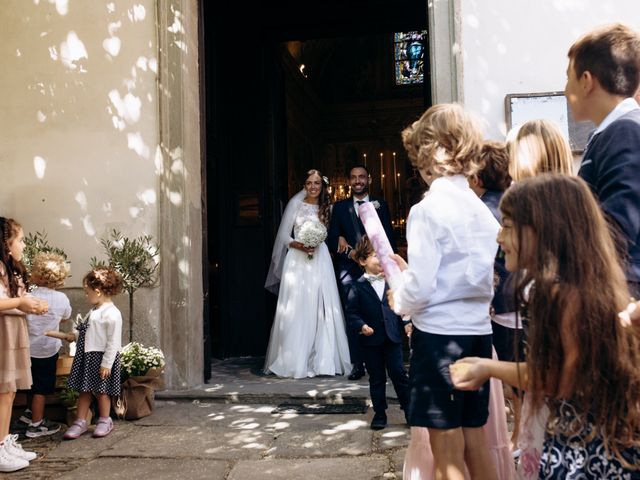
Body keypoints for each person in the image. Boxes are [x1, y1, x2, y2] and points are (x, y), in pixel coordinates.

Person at [451, 174, 640, 478]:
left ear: (543, 231)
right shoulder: (577, 287)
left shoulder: (560, 295)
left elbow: (555, 378)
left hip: (584, 455)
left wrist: (487, 368)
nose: (499, 238)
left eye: (508, 227)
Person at [389, 103, 500, 480]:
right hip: (477, 335)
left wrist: (399, 299)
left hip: (438, 336)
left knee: (446, 449)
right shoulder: (481, 210)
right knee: (476, 440)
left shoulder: (428, 210)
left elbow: (420, 286)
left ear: (429, 153)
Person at [565, 23, 640, 297]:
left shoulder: (626, 130)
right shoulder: (613, 131)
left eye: (568, 78)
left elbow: (618, 226)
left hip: (622, 292)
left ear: (586, 81)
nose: (565, 90)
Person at [264, 169, 351, 378]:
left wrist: (338, 237)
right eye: (309, 183)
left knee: (322, 306)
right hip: (297, 260)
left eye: (317, 183)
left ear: (322, 187)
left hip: (320, 259)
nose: (313, 187)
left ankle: (323, 360)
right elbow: (284, 235)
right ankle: (295, 359)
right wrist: (300, 245)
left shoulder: (327, 208)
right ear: (304, 185)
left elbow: (332, 233)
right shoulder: (295, 205)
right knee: (298, 307)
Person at [328, 165, 396, 381]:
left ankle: (384, 360)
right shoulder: (339, 208)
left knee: (380, 311)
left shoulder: (381, 205)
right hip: (349, 270)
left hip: (376, 268)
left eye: (362, 177)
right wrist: (338, 238)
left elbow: (388, 239)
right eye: (354, 177)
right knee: (354, 315)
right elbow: (331, 239)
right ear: (349, 181)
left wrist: (389, 266)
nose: (358, 181)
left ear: (369, 179)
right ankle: (358, 363)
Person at [345, 236, 410, 430]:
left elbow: (402, 306)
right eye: (375, 256)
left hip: (392, 338)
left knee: (399, 374)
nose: (381, 261)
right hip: (370, 340)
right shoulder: (355, 286)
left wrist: (406, 322)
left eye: (383, 257)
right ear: (363, 261)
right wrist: (361, 326)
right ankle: (380, 413)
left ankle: (410, 411)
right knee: (377, 377)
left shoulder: (393, 282)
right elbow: (352, 313)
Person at [0, 217, 46, 472]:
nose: (24, 245)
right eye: (21, 239)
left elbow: (13, 298)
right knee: (3, 392)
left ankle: (4, 441)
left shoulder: (9, 268)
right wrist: (20, 304)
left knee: (9, 391)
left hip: (11, 334)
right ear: (6, 243)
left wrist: (31, 303)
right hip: (2, 336)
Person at [63, 266, 123, 440]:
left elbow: (113, 341)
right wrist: (73, 335)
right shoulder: (94, 311)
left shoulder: (112, 313)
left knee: (102, 391)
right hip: (87, 356)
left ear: (97, 291)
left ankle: (105, 420)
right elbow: (86, 330)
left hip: (101, 358)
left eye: (87, 292)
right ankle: (80, 421)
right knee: (85, 390)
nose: (86, 295)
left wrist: (107, 363)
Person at [22, 252, 71, 438]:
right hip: (47, 350)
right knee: (41, 389)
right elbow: (66, 316)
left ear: (36, 273)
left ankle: (29, 415)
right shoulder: (62, 299)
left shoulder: (29, 296)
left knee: (30, 384)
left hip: (28, 348)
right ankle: (36, 424)